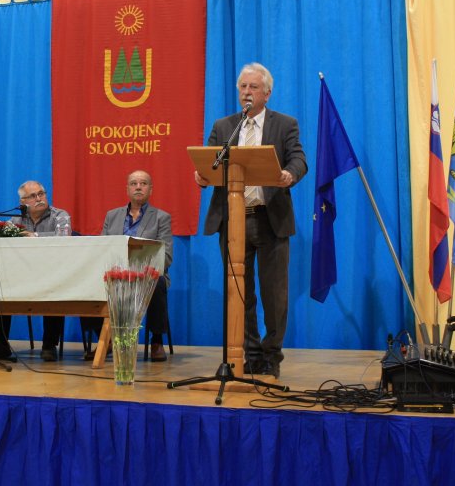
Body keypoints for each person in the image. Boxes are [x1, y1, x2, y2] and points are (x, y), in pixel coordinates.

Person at [194, 62, 307, 379]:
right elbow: (210, 162)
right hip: (233, 220)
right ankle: (249, 354)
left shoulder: (285, 124)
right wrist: (202, 176)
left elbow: (299, 158)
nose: (247, 92)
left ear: (267, 93)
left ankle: (271, 356)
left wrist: (289, 174)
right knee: (239, 293)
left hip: (270, 219)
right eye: (243, 87)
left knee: (274, 295)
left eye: (253, 87)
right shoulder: (225, 126)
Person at [83, 170, 173, 362]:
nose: (138, 187)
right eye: (134, 183)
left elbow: (166, 257)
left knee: (158, 282)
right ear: (127, 189)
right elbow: (102, 249)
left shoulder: (161, 217)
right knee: (88, 282)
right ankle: (105, 340)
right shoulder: (112, 216)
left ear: (150, 189)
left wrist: (143, 265)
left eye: (143, 183)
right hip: (116, 274)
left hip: (145, 274)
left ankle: (157, 340)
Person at [0, 181, 73, 362]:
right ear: (23, 202)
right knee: (1, 286)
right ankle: (0, 344)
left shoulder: (59, 215)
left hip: (52, 273)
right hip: (22, 275)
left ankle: (49, 345)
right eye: (33, 196)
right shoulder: (15, 220)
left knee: (56, 291)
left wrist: (33, 236)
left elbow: (63, 237)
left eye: (41, 194)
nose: (39, 198)